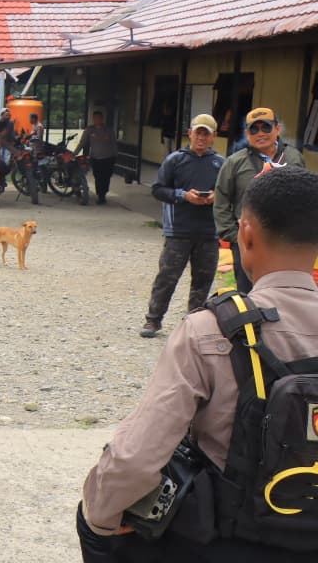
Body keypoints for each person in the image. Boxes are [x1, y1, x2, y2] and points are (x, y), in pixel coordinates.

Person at [79, 165, 318, 562]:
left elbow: (136, 458)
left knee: (96, 520)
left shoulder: (211, 329)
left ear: (245, 233)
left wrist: (99, 517)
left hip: (228, 540)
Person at [139, 114, 224, 338]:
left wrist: (216, 197)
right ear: (190, 133)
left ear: (214, 136)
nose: (201, 138)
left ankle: (193, 323)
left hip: (209, 232)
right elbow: (158, 189)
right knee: (167, 278)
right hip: (178, 231)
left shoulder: (220, 163)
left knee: (202, 282)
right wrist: (183, 195)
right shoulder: (175, 160)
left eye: (206, 134)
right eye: (198, 132)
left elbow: (229, 193)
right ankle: (153, 320)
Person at [214, 107, 307, 293]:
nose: (260, 133)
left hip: (285, 241)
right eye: (254, 129)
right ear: (247, 133)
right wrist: (233, 236)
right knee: (249, 293)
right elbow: (221, 199)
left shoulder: (293, 158)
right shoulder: (234, 162)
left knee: (283, 292)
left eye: (266, 127)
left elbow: (304, 197)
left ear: (277, 129)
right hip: (247, 242)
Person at [75, 110, 117, 204]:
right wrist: (74, 153)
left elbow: (114, 143)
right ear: (93, 119)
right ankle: (100, 195)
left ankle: (103, 194)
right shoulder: (89, 130)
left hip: (108, 157)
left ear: (102, 119)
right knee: (97, 177)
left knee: (106, 177)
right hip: (95, 157)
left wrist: (115, 155)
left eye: (99, 118)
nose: (97, 120)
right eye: (95, 118)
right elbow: (82, 143)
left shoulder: (109, 130)